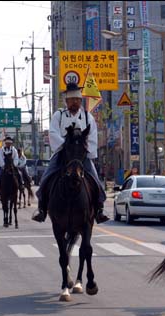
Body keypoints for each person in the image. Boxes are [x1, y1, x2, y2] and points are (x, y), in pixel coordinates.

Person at [32, 82, 109, 224]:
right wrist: (65, 146)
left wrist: (85, 150)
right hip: (63, 153)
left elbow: (92, 136)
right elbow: (53, 133)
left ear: (81, 101)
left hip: (81, 155)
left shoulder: (87, 117)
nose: (75, 102)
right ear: (66, 101)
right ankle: (41, 209)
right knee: (46, 177)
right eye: (72, 100)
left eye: (77, 100)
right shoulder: (59, 115)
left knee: (95, 180)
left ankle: (99, 209)